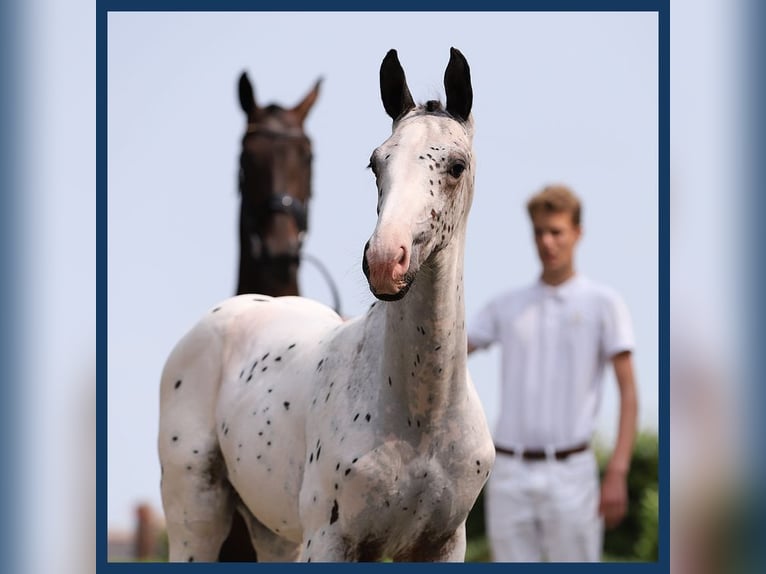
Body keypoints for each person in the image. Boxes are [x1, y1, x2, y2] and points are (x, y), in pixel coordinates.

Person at [467, 184, 638, 562]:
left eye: (556, 231)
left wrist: (618, 472)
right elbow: (446, 350)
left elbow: (628, 393)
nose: (547, 242)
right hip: (509, 473)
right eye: (539, 232)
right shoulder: (507, 305)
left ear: (577, 233)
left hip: (572, 473)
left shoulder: (604, 304)